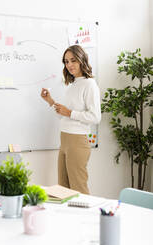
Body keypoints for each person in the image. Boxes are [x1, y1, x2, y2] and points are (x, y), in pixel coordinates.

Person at [40, 45, 101, 194]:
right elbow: (65, 115)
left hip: (77, 142)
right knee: (63, 189)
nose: (69, 65)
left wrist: (70, 113)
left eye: (73, 60)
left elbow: (95, 116)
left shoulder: (89, 84)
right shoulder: (73, 85)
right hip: (65, 139)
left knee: (78, 189)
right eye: (66, 62)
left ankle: (87, 217)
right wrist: (50, 101)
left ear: (82, 60)